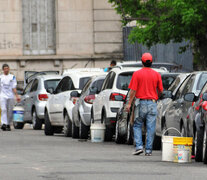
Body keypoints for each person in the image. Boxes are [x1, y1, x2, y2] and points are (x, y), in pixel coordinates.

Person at [126, 53, 163, 156]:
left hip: (140, 103)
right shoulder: (157, 75)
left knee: (137, 125)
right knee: (151, 127)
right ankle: (148, 150)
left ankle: (139, 146)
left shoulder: (137, 74)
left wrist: (129, 104)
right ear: (151, 62)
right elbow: (160, 90)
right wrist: (157, 96)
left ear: (142, 62)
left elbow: (133, 90)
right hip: (152, 103)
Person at [0, 64, 20, 131]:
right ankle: (4, 124)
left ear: (9, 69)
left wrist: (17, 96)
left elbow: (14, 87)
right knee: (4, 109)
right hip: (2, 95)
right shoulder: (0, 77)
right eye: (5, 69)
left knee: (10, 110)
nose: (6, 70)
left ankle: (8, 124)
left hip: (10, 96)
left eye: (7, 68)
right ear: (3, 70)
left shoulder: (12, 77)